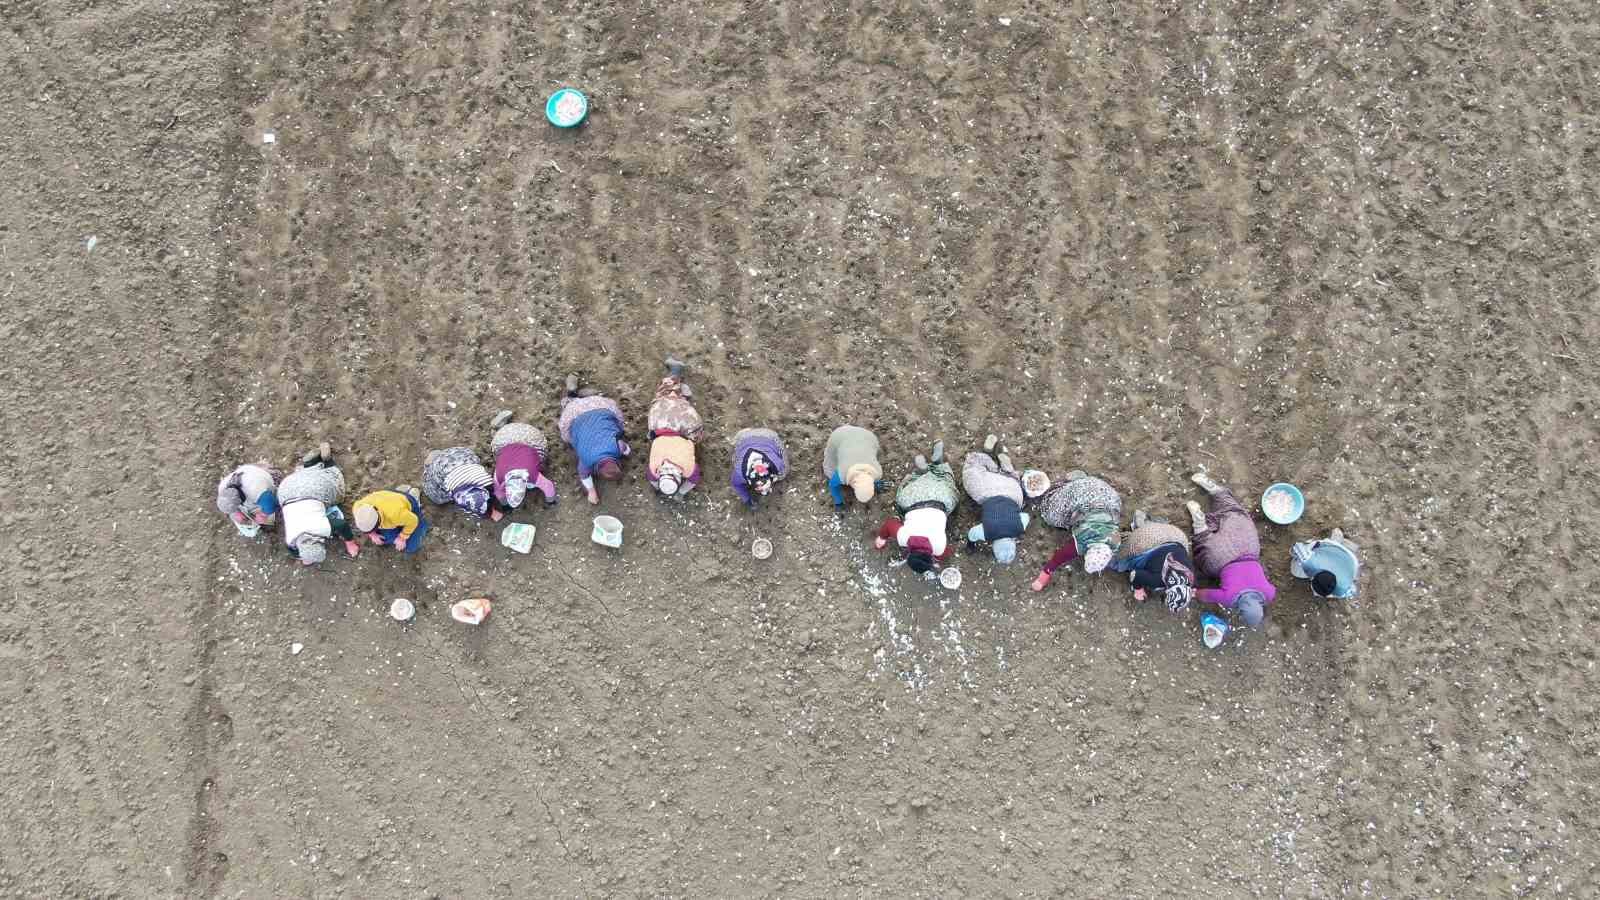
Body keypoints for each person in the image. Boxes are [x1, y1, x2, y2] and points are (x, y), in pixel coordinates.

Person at [1186, 471, 1277, 628]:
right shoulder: (1230, 598)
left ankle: (1215, 490)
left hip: (1249, 547)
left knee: (1234, 513)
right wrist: (1194, 593)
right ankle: (1199, 524)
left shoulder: (1270, 594)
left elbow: (1266, 580)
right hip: (1222, 559)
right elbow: (1206, 594)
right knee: (1204, 553)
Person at [873, 440, 960, 575]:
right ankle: (920, 474)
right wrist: (882, 537)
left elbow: (946, 552)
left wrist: (939, 558)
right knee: (901, 498)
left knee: (948, 483)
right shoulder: (904, 538)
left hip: (940, 498)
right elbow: (890, 524)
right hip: (913, 499)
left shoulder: (939, 548)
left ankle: (938, 464)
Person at [960, 434, 1047, 564]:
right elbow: (971, 534)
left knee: (1011, 478)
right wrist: (970, 546)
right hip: (987, 492)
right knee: (971, 474)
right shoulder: (986, 533)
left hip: (1012, 491)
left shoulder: (1019, 528)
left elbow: (1026, 517)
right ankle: (986, 457)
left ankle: (1003, 463)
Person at [1031, 471, 1122, 591]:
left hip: (1107, 495)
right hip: (1082, 496)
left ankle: (1082, 480)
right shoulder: (1082, 540)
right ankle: (1072, 481)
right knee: (1050, 514)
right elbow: (1058, 558)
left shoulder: (1116, 540)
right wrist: (1042, 579)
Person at [276, 443, 359, 566]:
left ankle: (328, 462)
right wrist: (305, 556)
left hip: (312, 490)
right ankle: (308, 466)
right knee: (308, 480)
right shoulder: (291, 540)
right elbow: (293, 552)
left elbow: (342, 525)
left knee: (338, 488)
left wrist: (350, 543)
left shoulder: (322, 528)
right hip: (285, 490)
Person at [558, 375, 630, 504]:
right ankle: (571, 397)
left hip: (600, 407)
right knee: (567, 428)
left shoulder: (617, 447)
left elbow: (626, 449)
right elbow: (584, 475)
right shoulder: (586, 461)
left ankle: (591, 396)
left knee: (615, 423)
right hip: (575, 415)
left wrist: (627, 452)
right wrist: (591, 492)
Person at [1108, 509, 1196, 612]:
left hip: (1177, 536)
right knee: (1118, 565)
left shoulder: (1191, 578)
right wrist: (1138, 589)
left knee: (1158, 550)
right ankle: (1136, 526)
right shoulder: (1158, 580)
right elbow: (1135, 575)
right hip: (1146, 540)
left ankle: (1152, 524)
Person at [646, 357, 704, 498]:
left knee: (696, 439)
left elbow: (693, 479)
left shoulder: (688, 468)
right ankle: (680, 396)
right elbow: (652, 478)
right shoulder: (654, 468)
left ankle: (676, 373)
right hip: (667, 420)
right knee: (663, 396)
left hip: (689, 425)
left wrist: (677, 492)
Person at [489, 412, 557, 510]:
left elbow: (548, 486)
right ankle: (499, 426)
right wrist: (505, 503)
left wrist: (551, 501)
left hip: (526, 437)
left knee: (538, 466)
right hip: (509, 437)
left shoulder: (531, 475)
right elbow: (498, 491)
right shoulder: (499, 476)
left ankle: (499, 426)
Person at [421, 446, 505, 521]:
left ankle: (439, 456)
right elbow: (474, 508)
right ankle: (431, 462)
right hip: (442, 468)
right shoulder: (461, 498)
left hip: (460, 455)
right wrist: (489, 514)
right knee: (437, 498)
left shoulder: (486, 482)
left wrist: (495, 508)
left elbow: (491, 491)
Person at [352, 484, 430, 555]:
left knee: (411, 546)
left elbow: (413, 520)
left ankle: (412, 496)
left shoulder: (395, 514)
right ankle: (400, 492)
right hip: (387, 497)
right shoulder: (358, 509)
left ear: (379, 521)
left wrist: (402, 538)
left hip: (405, 505)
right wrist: (372, 534)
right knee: (384, 539)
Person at [823, 424, 884, 507]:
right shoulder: (841, 474)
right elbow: (832, 485)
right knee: (829, 470)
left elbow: (875, 480)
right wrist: (838, 502)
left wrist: (876, 484)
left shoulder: (878, 472)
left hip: (868, 437)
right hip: (840, 435)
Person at [1291, 528, 1361, 599]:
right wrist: (1294, 554)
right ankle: (1338, 541)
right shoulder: (1311, 562)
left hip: (1350, 559)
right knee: (1295, 571)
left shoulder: (1342, 591)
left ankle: (1340, 541)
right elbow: (1297, 546)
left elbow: (1352, 591)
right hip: (1332, 548)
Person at [216, 461, 281, 531]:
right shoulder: (222, 488)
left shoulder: (254, 490)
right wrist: (236, 512)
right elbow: (228, 502)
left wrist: (263, 515)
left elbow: (270, 505)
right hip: (245, 471)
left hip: (260, 476)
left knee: (273, 503)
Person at [730, 427, 787, 506]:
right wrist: (747, 499)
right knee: (735, 460)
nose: (766, 491)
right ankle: (743, 434)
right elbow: (736, 485)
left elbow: (784, 470)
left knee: (783, 474)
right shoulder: (739, 473)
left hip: (769, 436)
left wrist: (776, 478)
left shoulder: (776, 464)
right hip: (746, 438)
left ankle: (748, 433)